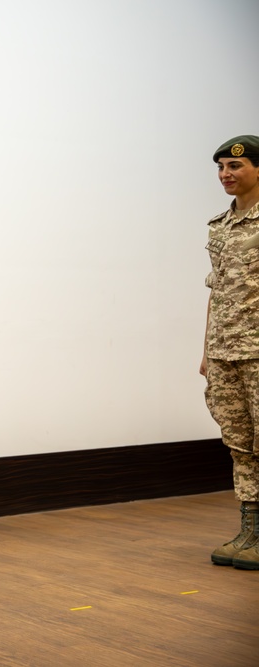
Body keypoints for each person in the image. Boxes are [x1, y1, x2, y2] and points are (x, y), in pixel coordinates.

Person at [201, 134, 259, 570]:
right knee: (239, 443)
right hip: (225, 351)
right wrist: (207, 348)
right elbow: (216, 291)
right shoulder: (219, 226)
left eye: (235, 166)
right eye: (221, 166)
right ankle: (250, 529)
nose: (226, 174)